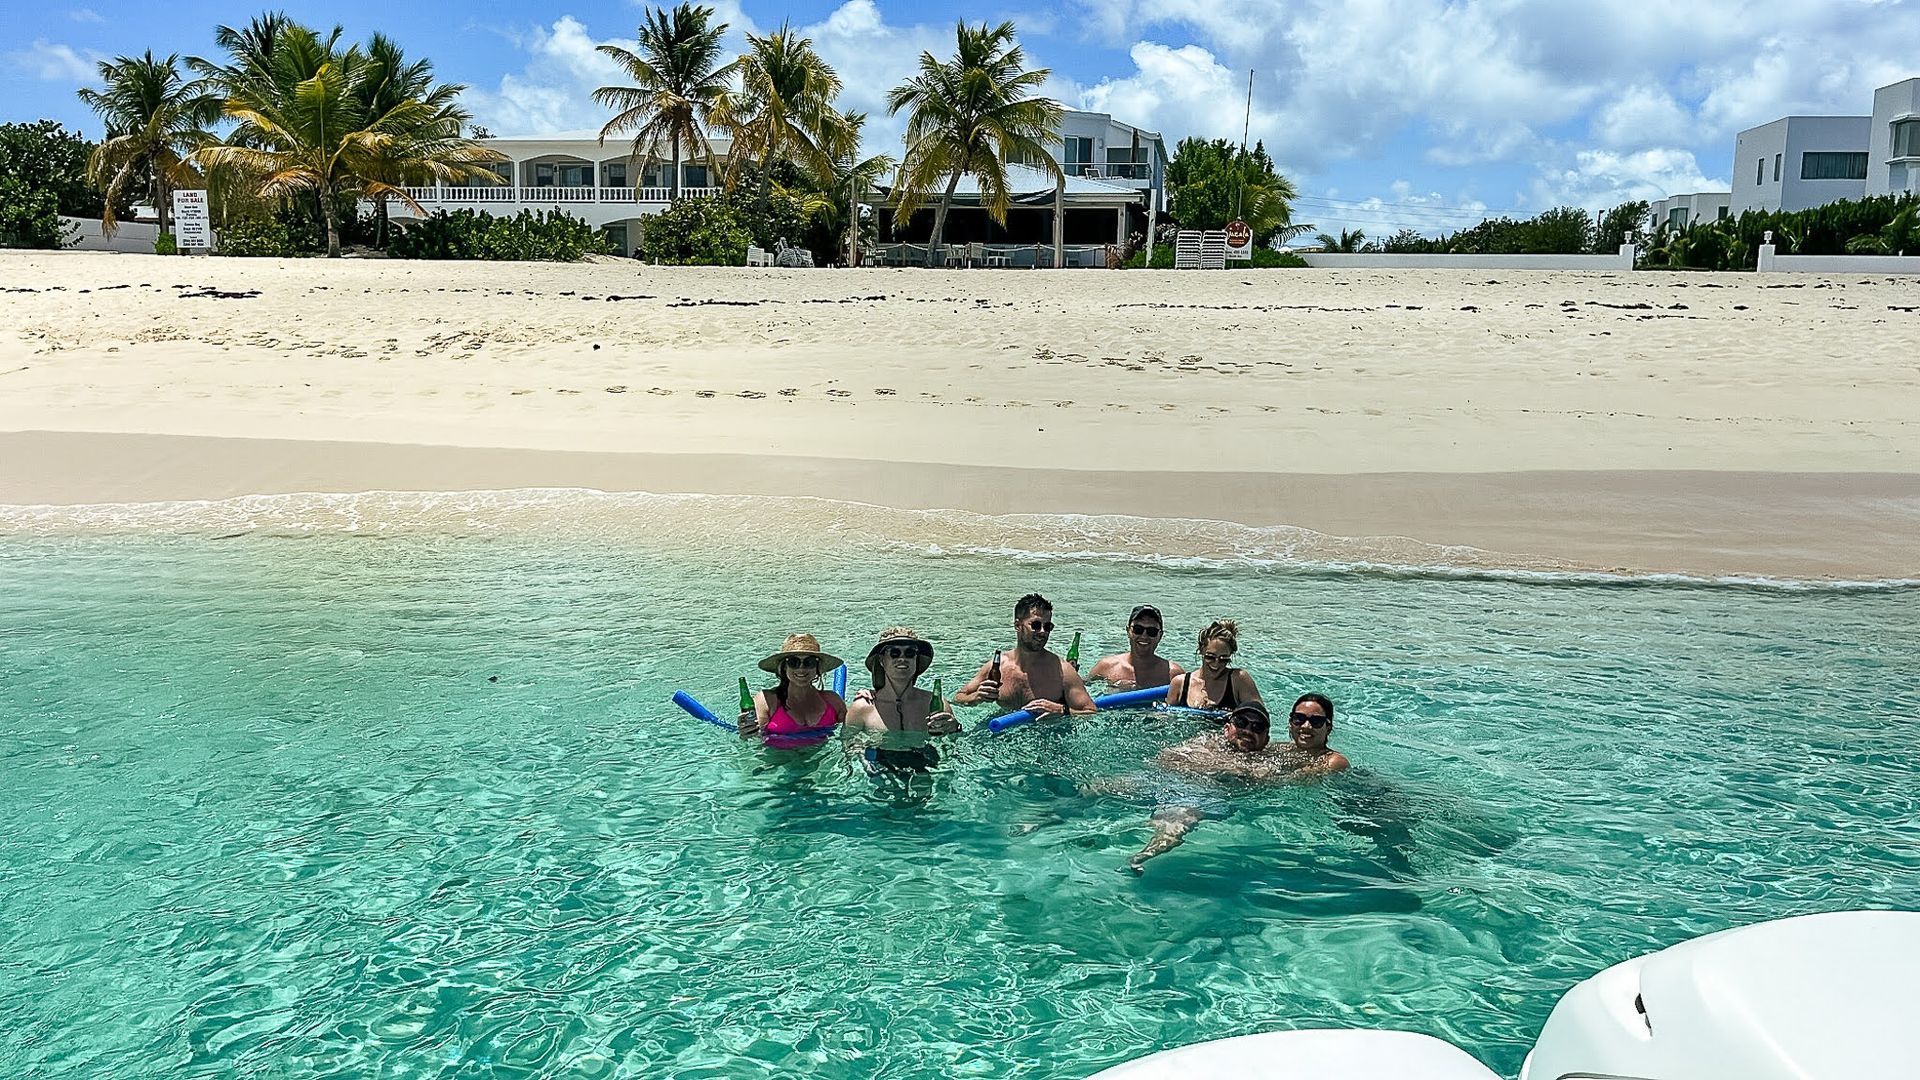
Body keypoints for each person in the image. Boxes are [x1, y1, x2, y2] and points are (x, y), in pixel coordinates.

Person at [1125, 696, 1348, 871]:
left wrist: (1232, 771)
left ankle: (1142, 856)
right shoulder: (1277, 749)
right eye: (1299, 719)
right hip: (1196, 784)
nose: (1306, 726)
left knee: (1182, 816)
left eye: (1316, 721)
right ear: (1290, 723)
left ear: (1328, 727)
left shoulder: (1332, 761)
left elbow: (1284, 781)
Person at [951, 593, 1096, 718]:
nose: (1043, 632)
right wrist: (976, 697)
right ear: (1017, 625)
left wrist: (1061, 710)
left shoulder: (1062, 671)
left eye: (1048, 626)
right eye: (1036, 625)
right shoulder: (998, 666)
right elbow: (958, 698)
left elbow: (1091, 712)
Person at [846, 627, 959, 775]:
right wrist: (863, 757)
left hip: (925, 765)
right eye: (894, 653)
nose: (902, 658)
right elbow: (847, 743)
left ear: (916, 660)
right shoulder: (863, 708)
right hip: (880, 769)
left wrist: (955, 729)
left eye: (910, 653)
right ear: (881, 660)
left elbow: (952, 746)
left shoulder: (936, 704)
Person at [736, 633, 849, 749]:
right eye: (793, 662)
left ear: (817, 667)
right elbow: (754, 744)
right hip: (776, 764)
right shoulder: (766, 702)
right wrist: (747, 733)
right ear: (784, 667)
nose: (801, 668)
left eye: (809, 662)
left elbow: (851, 735)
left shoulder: (833, 702)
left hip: (822, 764)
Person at [1165, 618, 1262, 713]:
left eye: (1224, 659)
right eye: (1210, 657)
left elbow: (1260, 718)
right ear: (1201, 650)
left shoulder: (1238, 680)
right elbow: (1167, 721)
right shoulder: (1180, 684)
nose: (1216, 664)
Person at [1086, 605, 1185, 692]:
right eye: (1138, 629)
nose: (1144, 636)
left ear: (1160, 635)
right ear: (1128, 631)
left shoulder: (1173, 674)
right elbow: (1082, 689)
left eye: (1151, 631)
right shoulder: (1106, 667)